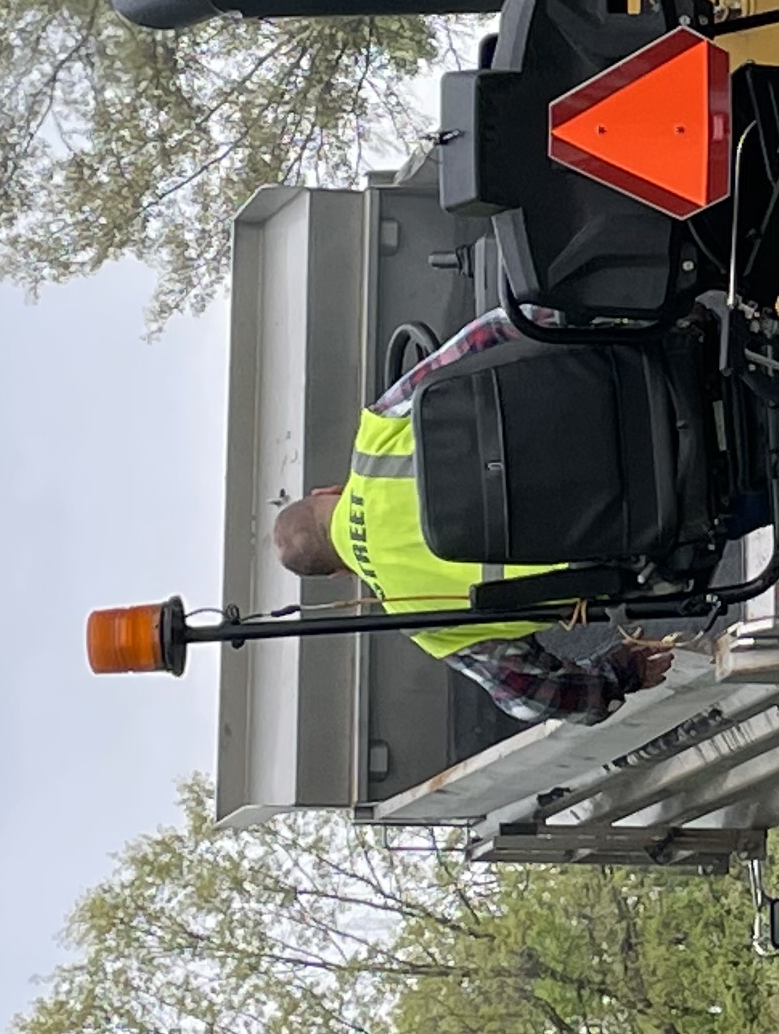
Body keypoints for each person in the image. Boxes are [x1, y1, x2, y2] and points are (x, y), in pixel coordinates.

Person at [266, 308, 673, 725]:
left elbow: (528, 697)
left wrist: (617, 674)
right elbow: (493, 333)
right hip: (637, 380)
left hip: (659, 539)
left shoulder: (425, 623)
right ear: (327, 492)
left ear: (339, 573)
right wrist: (629, 313)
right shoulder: (378, 432)